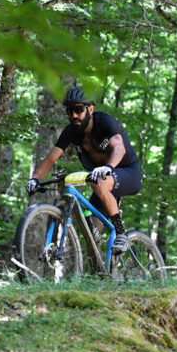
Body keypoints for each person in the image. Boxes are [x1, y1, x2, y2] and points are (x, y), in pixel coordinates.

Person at [27, 86, 141, 254]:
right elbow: (50, 158)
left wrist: (108, 168)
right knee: (91, 233)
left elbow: (119, 148)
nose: (73, 115)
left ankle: (121, 233)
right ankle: (102, 274)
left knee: (99, 183)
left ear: (90, 109)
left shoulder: (104, 122)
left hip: (127, 173)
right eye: (69, 111)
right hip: (101, 181)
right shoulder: (71, 132)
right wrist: (34, 178)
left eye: (78, 110)